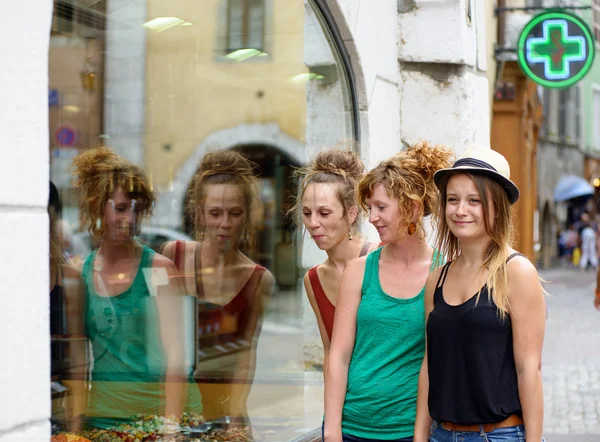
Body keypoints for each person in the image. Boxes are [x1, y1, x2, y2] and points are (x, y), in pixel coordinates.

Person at [413, 147, 546, 442]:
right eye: (452, 200)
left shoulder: (517, 272)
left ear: (496, 206)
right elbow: (428, 364)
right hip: (442, 435)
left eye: (474, 200)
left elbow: (529, 370)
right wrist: (420, 437)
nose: (460, 210)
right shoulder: (436, 278)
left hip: (498, 436)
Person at [324, 142, 452, 442]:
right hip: (352, 428)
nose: (372, 218)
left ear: (412, 207)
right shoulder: (359, 271)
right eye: (370, 208)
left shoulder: (443, 273)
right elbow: (338, 355)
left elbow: (435, 362)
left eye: (381, 207)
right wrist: (331, 431)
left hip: (409, 430)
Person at [71, 147, 198, 429]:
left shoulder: (158, 270)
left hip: (160, 415)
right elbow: (78, 363)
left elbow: (176, 355)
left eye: (137, 210)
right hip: (105, 417)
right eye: (120, 208)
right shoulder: (80, 274)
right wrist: (76, 427)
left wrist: (172, 425)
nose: (130, 219)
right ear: (97, 207)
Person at [161, 150, 274, 427]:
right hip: (173, 408)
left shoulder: (258, 280)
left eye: (235, 213)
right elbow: (165, 347)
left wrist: (235, 415)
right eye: (215, 213)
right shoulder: (174, 257)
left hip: (225, 413)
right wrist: (170, 422)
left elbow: (246, 355)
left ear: (246, 215)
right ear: (200, 214)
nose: (225, 223)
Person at [294, 148, 378, 373]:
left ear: (351, 213)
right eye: (306, 212)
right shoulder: (313, 279)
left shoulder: (380, 258)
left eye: (324, 213)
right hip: (346, 400)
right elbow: (330, 352)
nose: (312, 223)